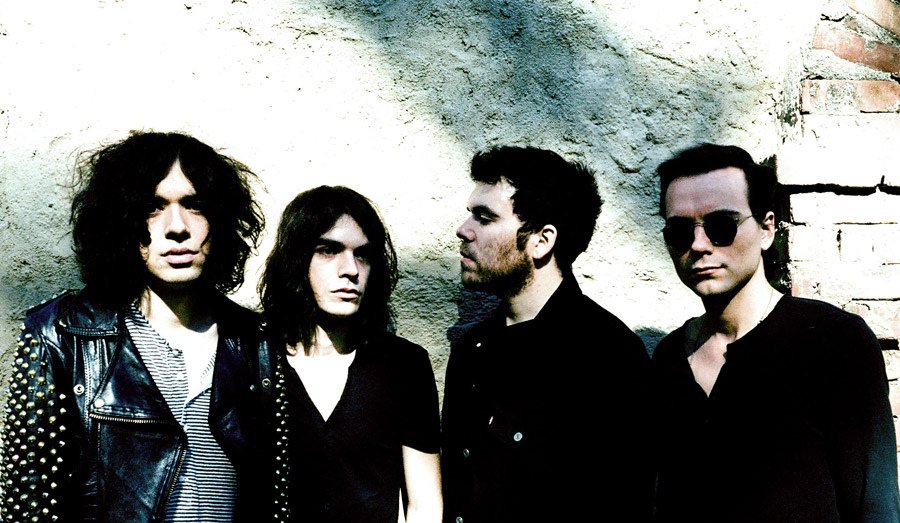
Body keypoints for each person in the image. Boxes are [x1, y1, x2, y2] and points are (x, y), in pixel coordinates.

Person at [0, 131, 270, 522]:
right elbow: (27, 507)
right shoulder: (61, 335)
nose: (176, 227)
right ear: (122, 220)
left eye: (194, 206)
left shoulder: (258, 342)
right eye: (152, 207)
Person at [652, 143, 900, 522]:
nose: (699, 246)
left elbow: (875, 509)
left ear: (767, 229)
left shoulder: (834, 342)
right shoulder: (670, 358)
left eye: (722, 226)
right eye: (680, 231)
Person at [441, 146, 653, 523]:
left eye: (485, 217)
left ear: (541, 240)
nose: (463, 229)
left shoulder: (607, 355)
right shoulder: (471, 350)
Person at [260, 185, 442, 523]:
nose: (351, 270)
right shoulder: (256, 359)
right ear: (297, 259)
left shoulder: (403, 365)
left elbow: (425, 505)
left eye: (363, 255)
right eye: (329, 251)